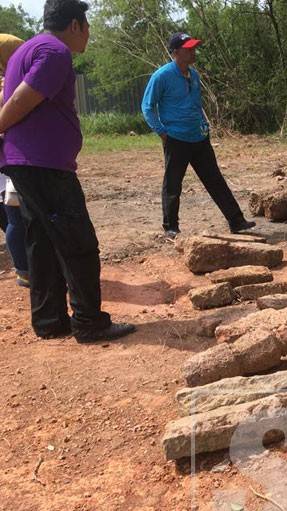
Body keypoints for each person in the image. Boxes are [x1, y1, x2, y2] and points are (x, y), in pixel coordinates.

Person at [0, 0, 135, 342]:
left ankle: (49, 320)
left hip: (26, 163)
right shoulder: (54, 51)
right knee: (78, 242)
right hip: (44, 164)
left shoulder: (25, 50)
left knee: (43, 242)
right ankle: (89, 322)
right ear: (74, 25)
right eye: (87, 27)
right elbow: (20, 100)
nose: (88, 34)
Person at [142, 32, 255, 238]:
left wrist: (204, 125)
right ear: (176, 52)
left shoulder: (194, 75)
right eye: (189, 49)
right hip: (176, 138)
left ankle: (236, 221)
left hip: (199, 137)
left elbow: (196, 104)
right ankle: (171, 227)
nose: (193, 52)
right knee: (173, 184)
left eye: (194, 48)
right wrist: (161, 132)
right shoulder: (162, 76)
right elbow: (147, 107)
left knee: (215, 180)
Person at [0, 33, 28, 287]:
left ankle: (25, 267)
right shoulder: (7, 87)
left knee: (10, 215)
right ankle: (25, 270)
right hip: (9, 161)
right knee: (16, 216)